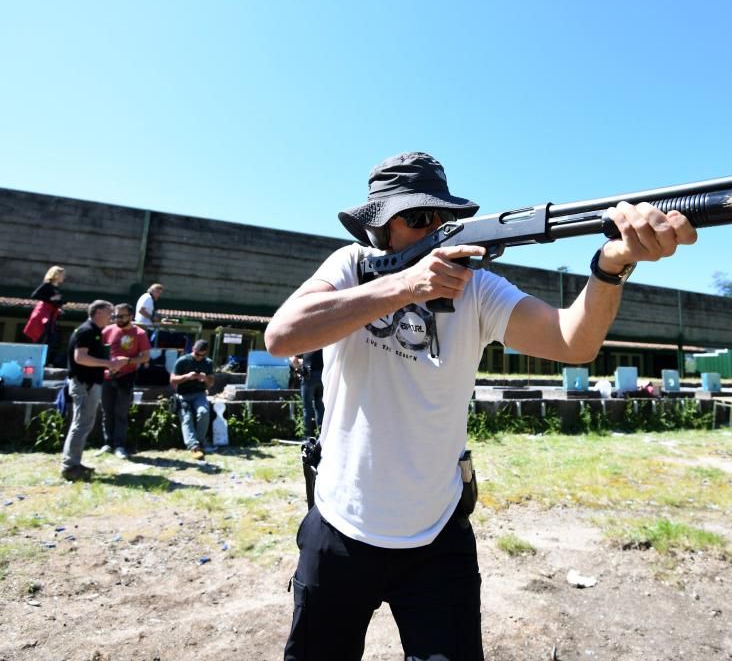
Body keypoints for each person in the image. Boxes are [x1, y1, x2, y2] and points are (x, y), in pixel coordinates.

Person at [265, 151, 696, 660]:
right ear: (380, 229)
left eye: (445, 219)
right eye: (419, 219)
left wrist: (611, 266)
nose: (436, 230)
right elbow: (282, 335)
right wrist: (405, 285)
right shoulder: (351, 267)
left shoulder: (477, 290)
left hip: (438, 536)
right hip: (340, 525)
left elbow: (572, 341)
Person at [61, 300, 126, 481]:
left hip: (88, 383)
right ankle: (70, 467)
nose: (112, 316)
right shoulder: (87, 330)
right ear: (97, 312)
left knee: (84, 423)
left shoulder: (94, 332)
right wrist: (108, 363)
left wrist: (109, 364)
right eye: (109, 312)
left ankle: (74, 463)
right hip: (84, 384)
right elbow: (80, 358)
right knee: (81, 424)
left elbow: (90, 359)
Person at [98, 304, 151, 459]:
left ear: (131, 316)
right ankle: (107, 443)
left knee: (121, 412)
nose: (118, 319)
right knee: (107, 411)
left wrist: (127, 361)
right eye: (116, 316)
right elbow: (99, 352)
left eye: (122, 316)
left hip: (126, 377)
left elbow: (146, 357)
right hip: (106, 376)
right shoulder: (107, 330)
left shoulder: (139, 333)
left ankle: (119, 445)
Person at [169, 339, 215, 460]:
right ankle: (193, 446)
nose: (199, 357)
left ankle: (198, 442)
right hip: (183, 394)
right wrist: (187, 377)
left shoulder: (208, 363)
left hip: (199, 394)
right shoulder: (183, 361)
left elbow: (211, 383)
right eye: (197, 354)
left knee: (204, 413)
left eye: (202, 355)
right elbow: (172, 380)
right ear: (193, 350)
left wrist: (205, 379)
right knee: (187, 417)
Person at [23, 265, 66, 346]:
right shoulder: (47, 284)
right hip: (43, 313)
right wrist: (51, 299)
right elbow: (35, 295)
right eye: (62, 274)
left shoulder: (57, 288)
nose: (63, 277)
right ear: (56, 274)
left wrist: (58, 307)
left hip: (51, 313)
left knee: (50, 338)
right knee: (43, 335)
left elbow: (54, 301)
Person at [290, 350, 325, 438]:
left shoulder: (307, 343)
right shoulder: (324, 343)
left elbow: (294, 361)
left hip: (308, 377)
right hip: (322, 377)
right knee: (320, 407)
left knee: (307, 408)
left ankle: (306, 436)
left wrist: (297, 366)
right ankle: (321, 435)